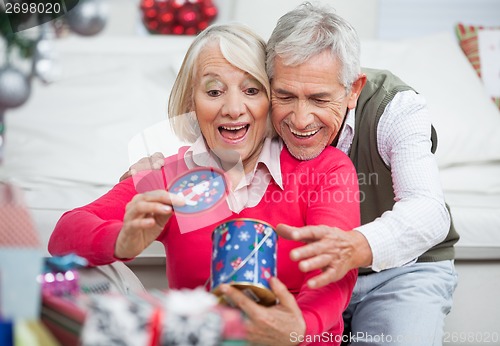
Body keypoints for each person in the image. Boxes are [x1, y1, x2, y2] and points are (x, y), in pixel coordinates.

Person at [125, 3, 460, 345]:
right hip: (310, 280)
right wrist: (151, 172)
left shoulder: (397, 109)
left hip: (398, 271)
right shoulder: (259, 112)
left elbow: (429, 211)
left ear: (353, 90)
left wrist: (356, 246)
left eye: (319, 99)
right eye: (285, 95)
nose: (300, 120)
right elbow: (218, 122)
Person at [48, 23, 360, 345]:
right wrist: (121, 241)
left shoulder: (326, 169)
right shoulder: (170, 177)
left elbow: (337, 270)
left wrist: (299, 329)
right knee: (90, 272)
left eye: (251, 91)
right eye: (214, 92)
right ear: (190, 103)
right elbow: (64, 234)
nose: (234, 109)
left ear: (271, 100)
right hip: (200, 338)